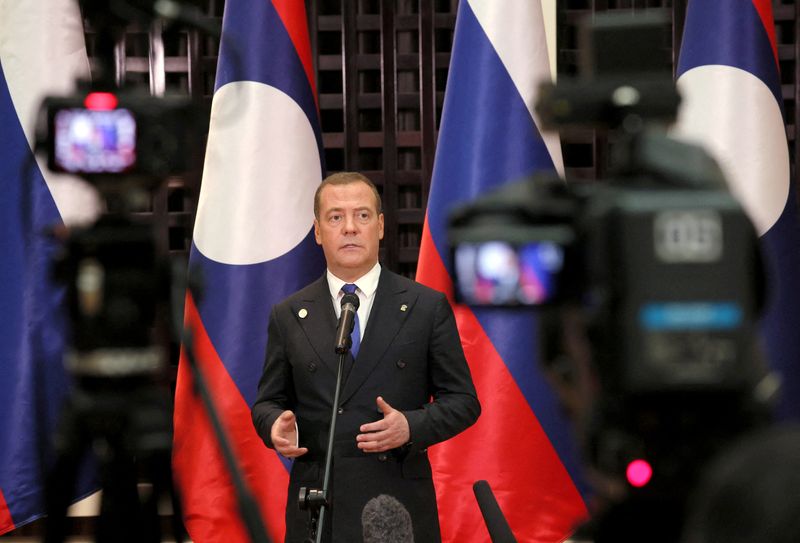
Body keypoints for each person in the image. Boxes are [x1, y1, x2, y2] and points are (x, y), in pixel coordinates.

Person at [251, 172, 481, 543]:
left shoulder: (425, 306)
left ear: (380, 226)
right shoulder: (289, 313)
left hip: (398, 506)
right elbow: (268, 402)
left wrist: (411, 426)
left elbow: (464, 402)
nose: (350, 228)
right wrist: (274, 424)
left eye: (362, 215)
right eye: (336, 217)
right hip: (320, 509)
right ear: (318, 231)